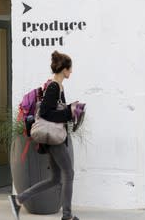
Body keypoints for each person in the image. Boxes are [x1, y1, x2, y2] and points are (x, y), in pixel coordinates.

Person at [8, 50, 85, 220]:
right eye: (70, 69)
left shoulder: (58, 86)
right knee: (69, 174)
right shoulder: (53, 87)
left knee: (56, 178)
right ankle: (67, 216)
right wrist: (68, 114)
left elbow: (56, 110)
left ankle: (19, 199)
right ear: (64, 69)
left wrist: (71, 110)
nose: (71, 72)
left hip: (54, 138)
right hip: (53, 139)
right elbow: (45, 113)